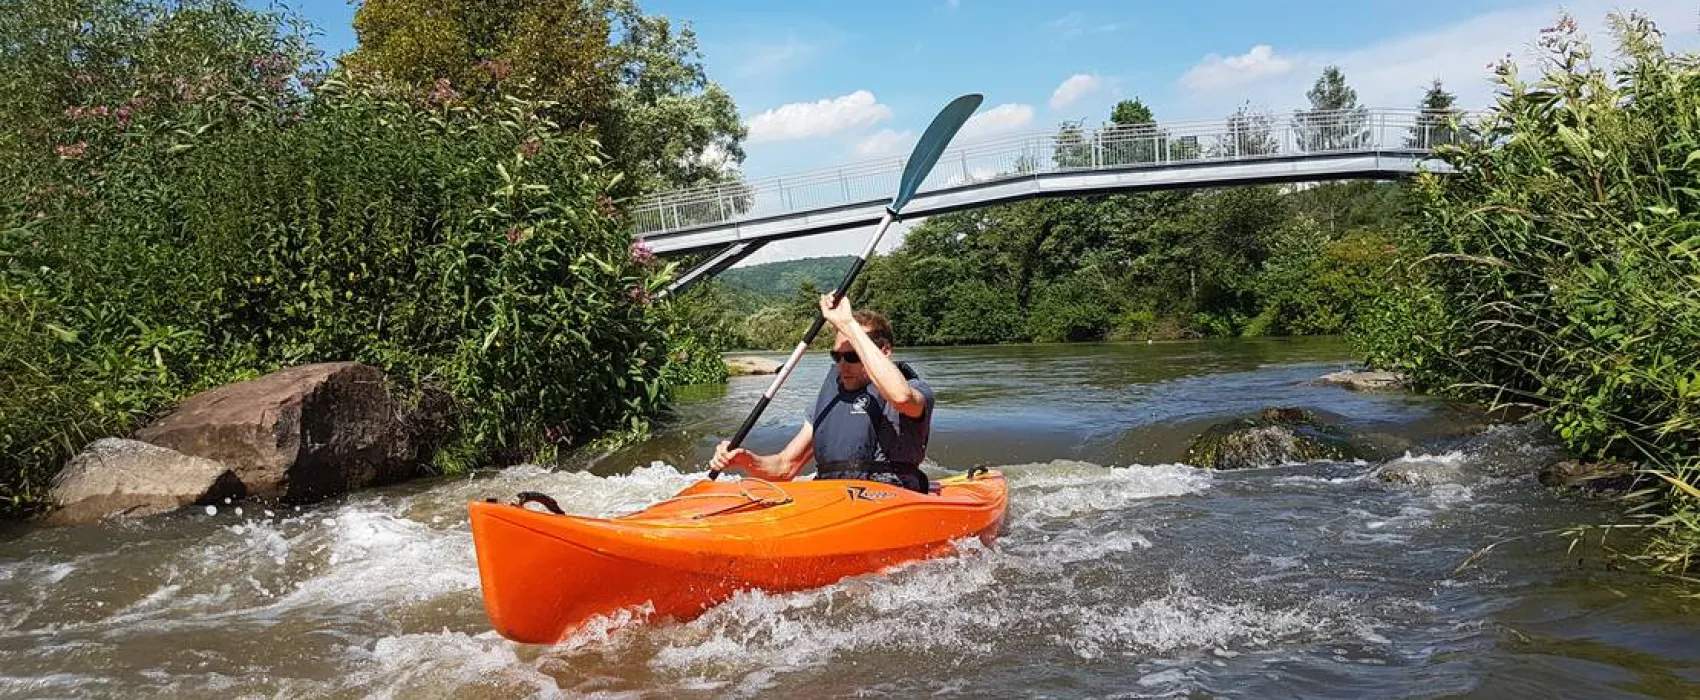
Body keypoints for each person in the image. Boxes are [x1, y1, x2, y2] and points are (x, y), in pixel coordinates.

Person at [710, 294, 935, 493]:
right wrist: (745, 460)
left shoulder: (914, 390)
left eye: (853, 356)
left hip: (888, 497)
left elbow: (900, 397)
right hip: (832, 496)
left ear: (884, 352)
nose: (843, 365)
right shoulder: (827, 401)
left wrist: (848, 324)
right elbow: (785, 467)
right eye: (837, 357)